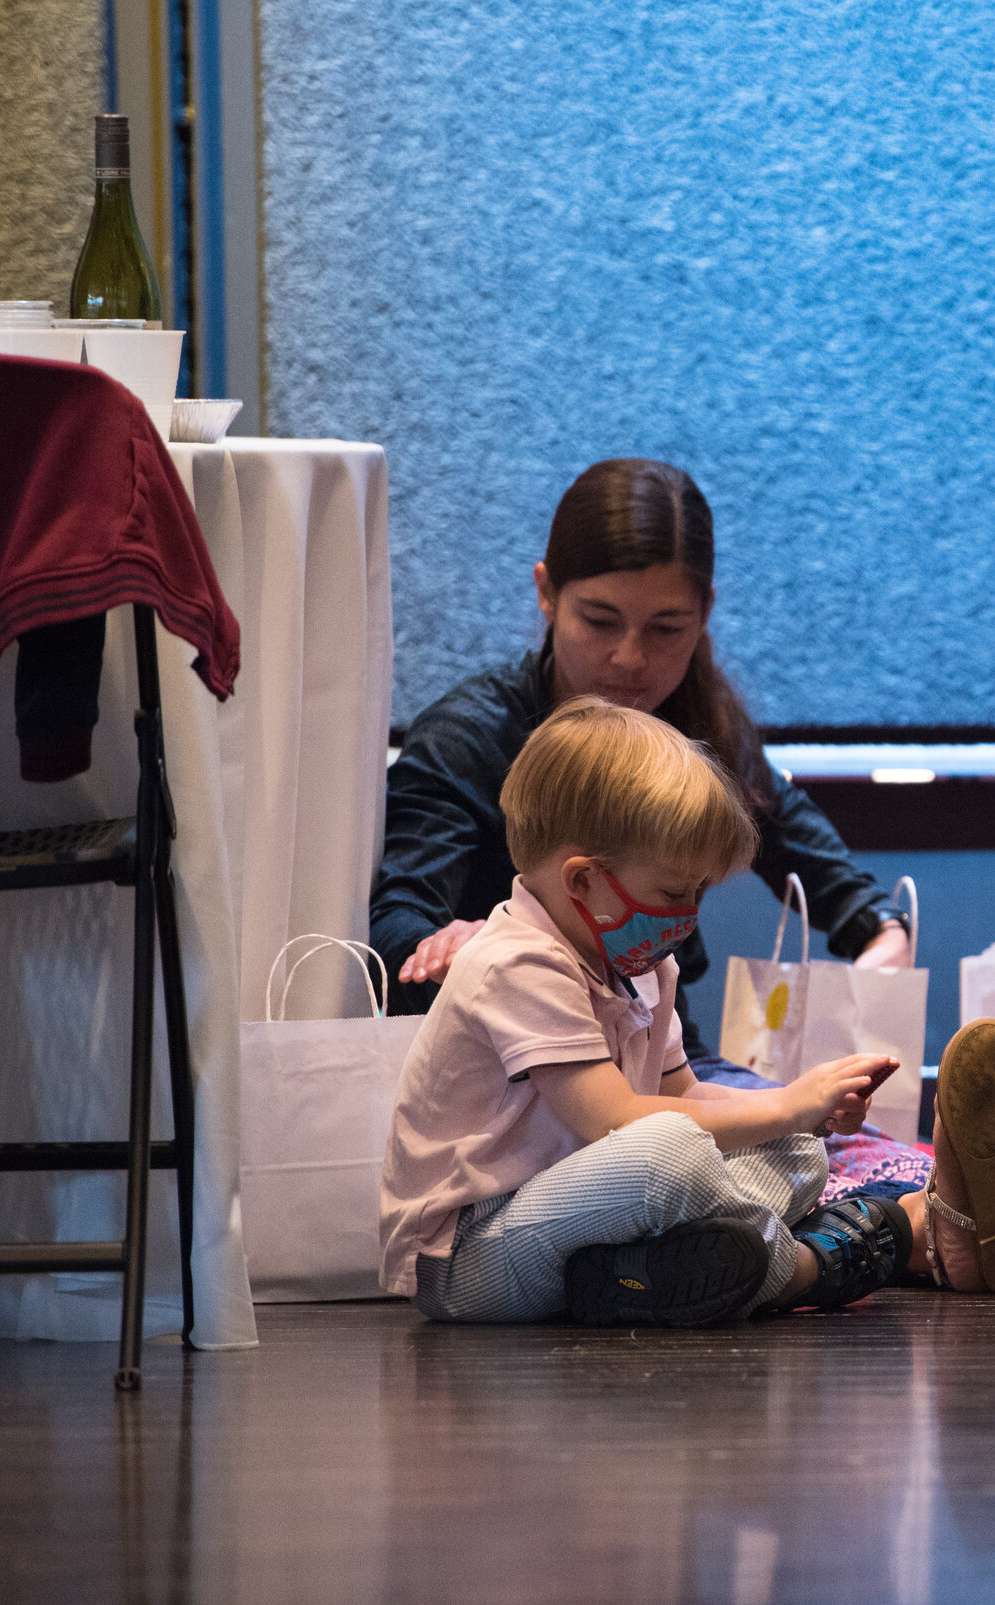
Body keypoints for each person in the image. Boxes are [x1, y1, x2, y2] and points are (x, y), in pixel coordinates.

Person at [370, 458, 924, 1197]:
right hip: (518, 1102)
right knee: (813, 1176)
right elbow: (393, 931)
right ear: (545, 593)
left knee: (877, 1164)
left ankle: (907, 1223)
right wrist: (457, 942)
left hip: (670, 1073)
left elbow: (828, 875)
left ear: (704, 616)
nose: (630, 657)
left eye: (667, 628)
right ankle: (886, 1237)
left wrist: (881, 937)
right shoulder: (467, 738)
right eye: (599, 621)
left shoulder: (700, 729)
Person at [379, 698, 946, 1325]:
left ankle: (647, 1278)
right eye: (676, 893)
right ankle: (801, 1270)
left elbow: (688, 1093)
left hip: (589, 1222)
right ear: (582, 881)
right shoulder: (516, 962)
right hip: (471, 1256)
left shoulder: (643, 967)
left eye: (700, 891)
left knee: (797, 1149)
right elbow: (613, 1121)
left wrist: (801, 1108)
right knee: (668, 1149)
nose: (690, 915)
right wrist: (785, 1104)